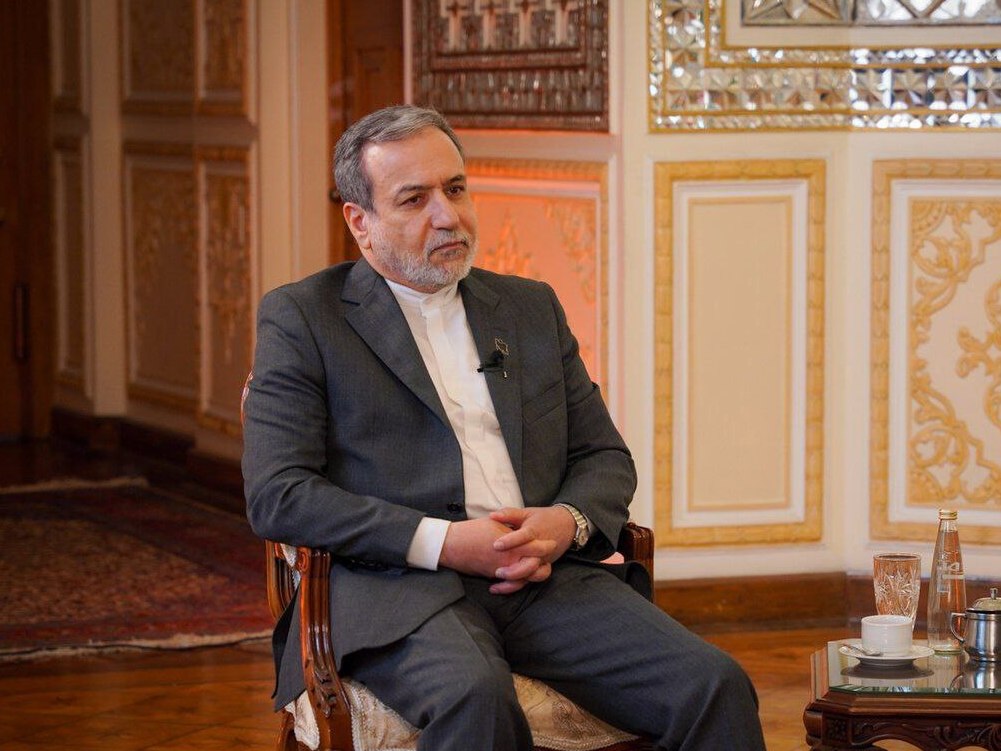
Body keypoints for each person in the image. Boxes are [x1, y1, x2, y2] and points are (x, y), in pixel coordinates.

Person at [242, 104, 765, 751]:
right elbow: (280, 494)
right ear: (360, 221)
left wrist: (565, 522)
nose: (448, 216)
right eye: (414, 199)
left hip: (541, 580)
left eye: (455, 188)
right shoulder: (304, 317)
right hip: (395, 589)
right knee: (477, 699)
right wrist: (444, 542)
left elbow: (602, 454)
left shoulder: (527, 306)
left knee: (712, 683)